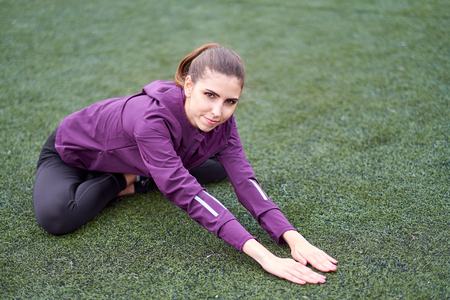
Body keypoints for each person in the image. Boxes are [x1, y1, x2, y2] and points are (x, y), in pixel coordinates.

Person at [33, 43, 337, 285]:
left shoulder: (221, 124)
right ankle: (127, 180)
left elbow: (245, 181)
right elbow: (189, 195)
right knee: (57, 217)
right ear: (188, 85)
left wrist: (292, 237)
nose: (218, 111)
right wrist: (264, 256)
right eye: (210, 95)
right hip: (73, 154)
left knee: (218, 167)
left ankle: (150, 174)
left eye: (230, 101)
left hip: (150, 155)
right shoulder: (151, 119)